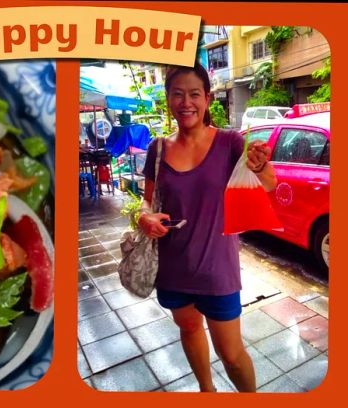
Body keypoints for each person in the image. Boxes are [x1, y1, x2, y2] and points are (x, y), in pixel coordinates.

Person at [138, 63, 277, 393]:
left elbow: (269, 184)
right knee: (188, 330)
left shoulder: (229, 142)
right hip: (173, 267)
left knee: (231, 353)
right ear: (168, 100)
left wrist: (260, 167)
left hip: (217, 269)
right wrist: (145, 218)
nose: (186, 102)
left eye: (194, 94)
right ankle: (206, 390)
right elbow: (146, 202)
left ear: (207, 98)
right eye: (178, 94)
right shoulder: (157, 148)